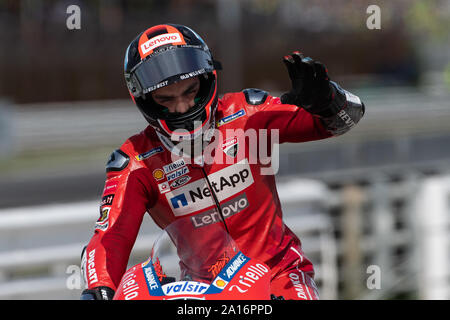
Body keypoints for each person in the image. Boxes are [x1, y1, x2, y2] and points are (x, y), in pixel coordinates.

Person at [80, 23, 364, 300]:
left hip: (279, 277)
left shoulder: (247, 114)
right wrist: (98, 289)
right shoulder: (136, 161)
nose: (182, 106)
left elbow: (344, 120)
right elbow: (108, 239)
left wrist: (328, 100)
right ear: (144, 100)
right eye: (165, 98)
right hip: (201, 293)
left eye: (190, 90)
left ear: (206, 79)